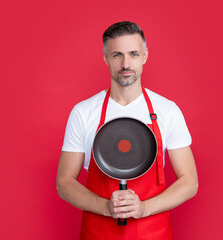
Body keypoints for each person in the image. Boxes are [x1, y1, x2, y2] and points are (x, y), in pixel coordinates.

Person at [56, 21, 198, 239]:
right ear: (105, 58)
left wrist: (143, 208)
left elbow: (190, 181)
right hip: (98, 232)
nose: (125, 64)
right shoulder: (83, 112)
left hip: (153, 232)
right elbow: (64, 183)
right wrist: (105, 207)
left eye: (133, 54)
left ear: (144, 56)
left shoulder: (167, 110)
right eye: (117, 55)